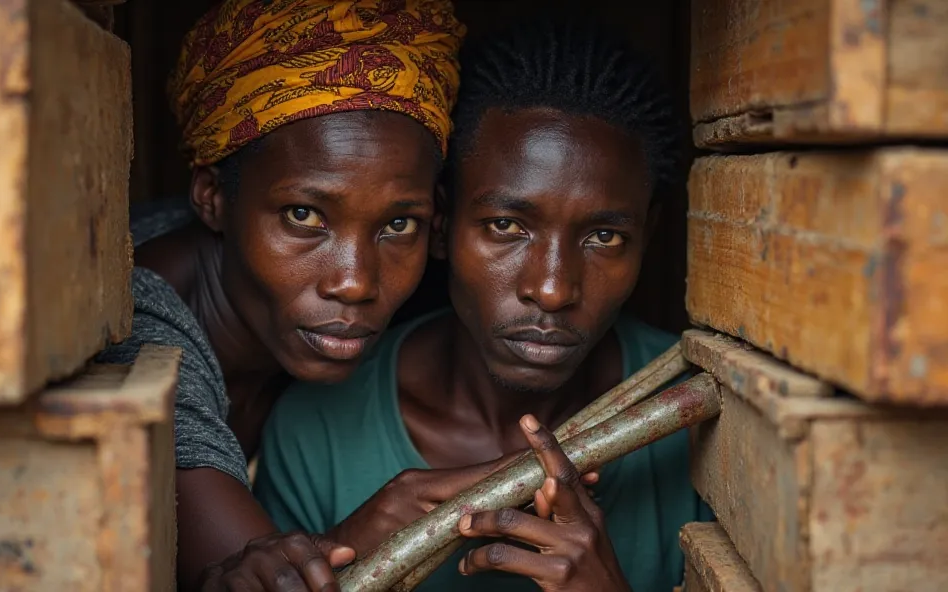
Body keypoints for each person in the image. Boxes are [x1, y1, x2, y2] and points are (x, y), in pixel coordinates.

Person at [253, 20, 713, 592]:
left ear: (650, 234)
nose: (551, 289)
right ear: (441, 223)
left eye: (604, 237)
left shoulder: (697, 412)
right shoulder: (319, 427)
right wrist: (349, 558)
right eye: (506, 226)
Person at [95, 1, 467, 588]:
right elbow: (261, 576)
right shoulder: (135, 329)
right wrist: (367, 530)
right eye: (304, 215)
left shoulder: (342, 312)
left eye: (398, 225)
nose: (356, 281)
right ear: (212, 196)